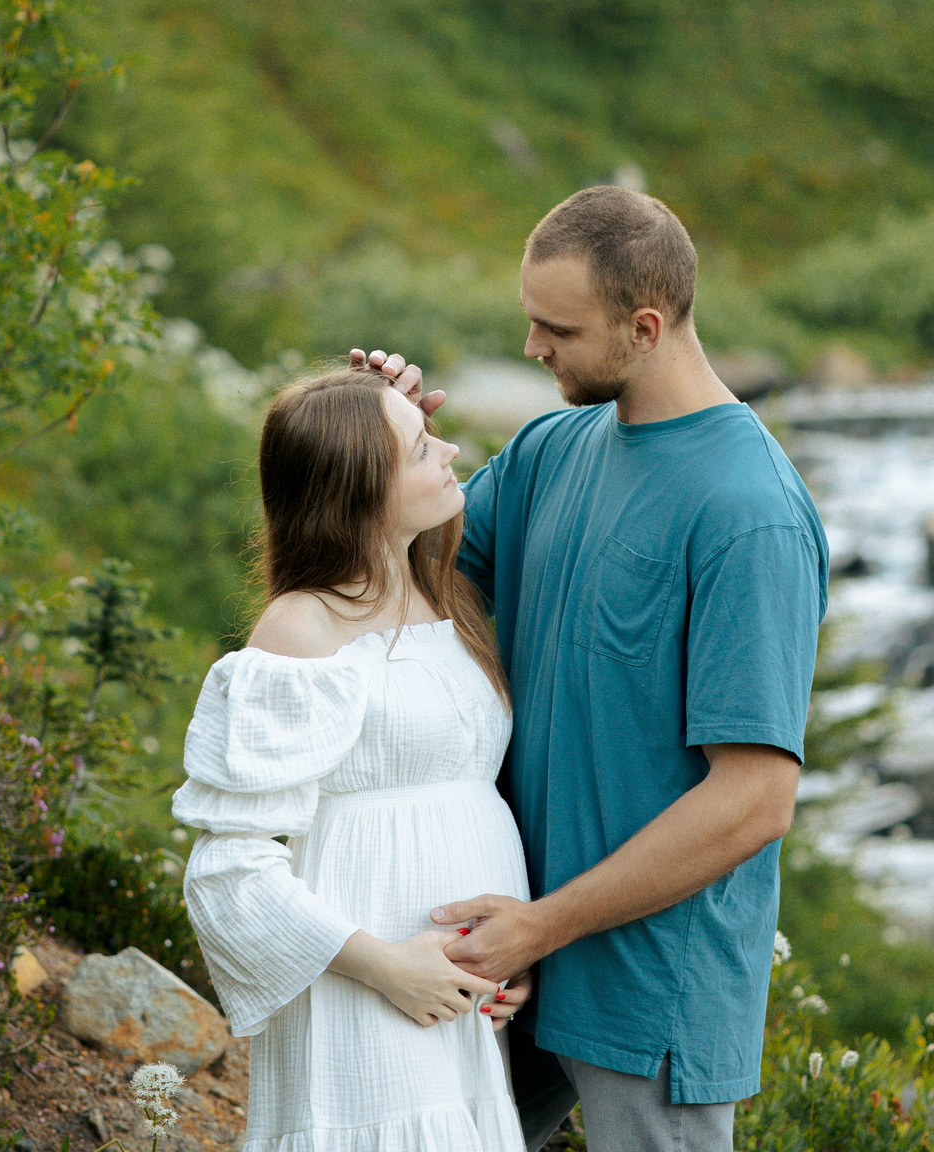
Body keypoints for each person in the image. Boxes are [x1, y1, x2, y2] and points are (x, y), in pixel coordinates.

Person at [355, 184, 826, 1151]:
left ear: (644, 328)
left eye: (557, 329)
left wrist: (545, 925)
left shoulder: (750, 513)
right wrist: (383, 445)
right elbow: (407, 583)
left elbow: (754, 801)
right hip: (508, 952)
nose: (533, 348)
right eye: (532, 319)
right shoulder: (549, 450)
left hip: (645, 990)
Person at [174, 367, 538, 1151]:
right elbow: (229, 868)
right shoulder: (301, 628)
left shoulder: (441, 596)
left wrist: (511, 948)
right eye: (421, 449)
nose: (451, 451)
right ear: (359, 491)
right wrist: (387, 967)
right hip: (368, 994)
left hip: (464, 1001)